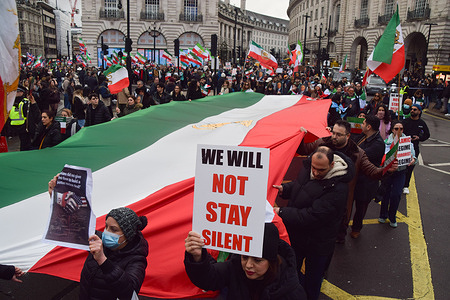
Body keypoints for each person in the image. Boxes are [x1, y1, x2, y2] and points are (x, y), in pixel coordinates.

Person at [273, 146, 354, 300]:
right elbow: (300, 185)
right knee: (292, 275)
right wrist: (284, 189)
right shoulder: (309, 167)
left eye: (321, 170)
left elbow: (312, 216)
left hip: (318, 244)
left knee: (312, 281)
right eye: (313, 168)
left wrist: (281, 212)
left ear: (331, 166)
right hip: (298, 237)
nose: (316, 173)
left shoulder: (338, 189)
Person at [297, 120, 398, 243]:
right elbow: (304, 149)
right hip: (317, 194)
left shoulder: (358, 153)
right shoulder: (323, 142)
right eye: (333, 133)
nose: (334, 137)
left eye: (339, 135)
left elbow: (373, 172)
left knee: (337, 232)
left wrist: (387, 170)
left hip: (342, 201)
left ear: (348, 136)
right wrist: (301, 136)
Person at [184, 222, 307, 300]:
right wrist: (197, 257)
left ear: (272, 261)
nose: (248, 265)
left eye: (257, 260)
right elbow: (209, 278)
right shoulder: (235, 266)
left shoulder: (291, 290)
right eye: (244, 257)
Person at [76, 207, 149, 299]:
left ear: (127, 235)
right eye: (106, 226)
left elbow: (129, 293)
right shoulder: (99, 240)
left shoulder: (136, 260)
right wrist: (57, 197)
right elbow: (76, 225)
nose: (106, 232)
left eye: (114, 230)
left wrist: (103, 260)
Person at [349, 115, 385, 238]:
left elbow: (358, 155)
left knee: (361, 207)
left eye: (363, 123)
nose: (361, 125)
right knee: (348, 204)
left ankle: (356, 229)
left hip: (367, 182)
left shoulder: (378, 144)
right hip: (356, 178)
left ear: (369, 127)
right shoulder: (363, 136)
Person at [379, 120, 416, 227]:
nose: (398, 131)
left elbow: (414, 157)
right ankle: (383, 214)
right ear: (392, 130)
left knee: (396, 195)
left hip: (401, 172)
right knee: (386, 194)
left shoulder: (408, 143)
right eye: (396, 128)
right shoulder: (386, 142)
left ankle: (392, 216)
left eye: (401, 128)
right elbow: (382, 158)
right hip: (388, 173)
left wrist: (413, 160)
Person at [1, 84, 40, 151]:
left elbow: (32, 116)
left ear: (21, 92)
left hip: (23, 127)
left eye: (16, 91)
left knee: (25, 146)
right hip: (12, 128)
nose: (14, 93)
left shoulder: (25, 102)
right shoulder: (10, 102)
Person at [402, 104, 429, 194]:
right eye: (411, 109)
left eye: (415, 109)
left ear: (419, 112)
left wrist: (419, 138)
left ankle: (406, 185)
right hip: (403, 147)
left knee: (410, 167)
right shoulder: (405, 121)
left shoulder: (422, 123)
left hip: (414, 148)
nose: (412, 111)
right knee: (401, 167)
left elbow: (427, 134)